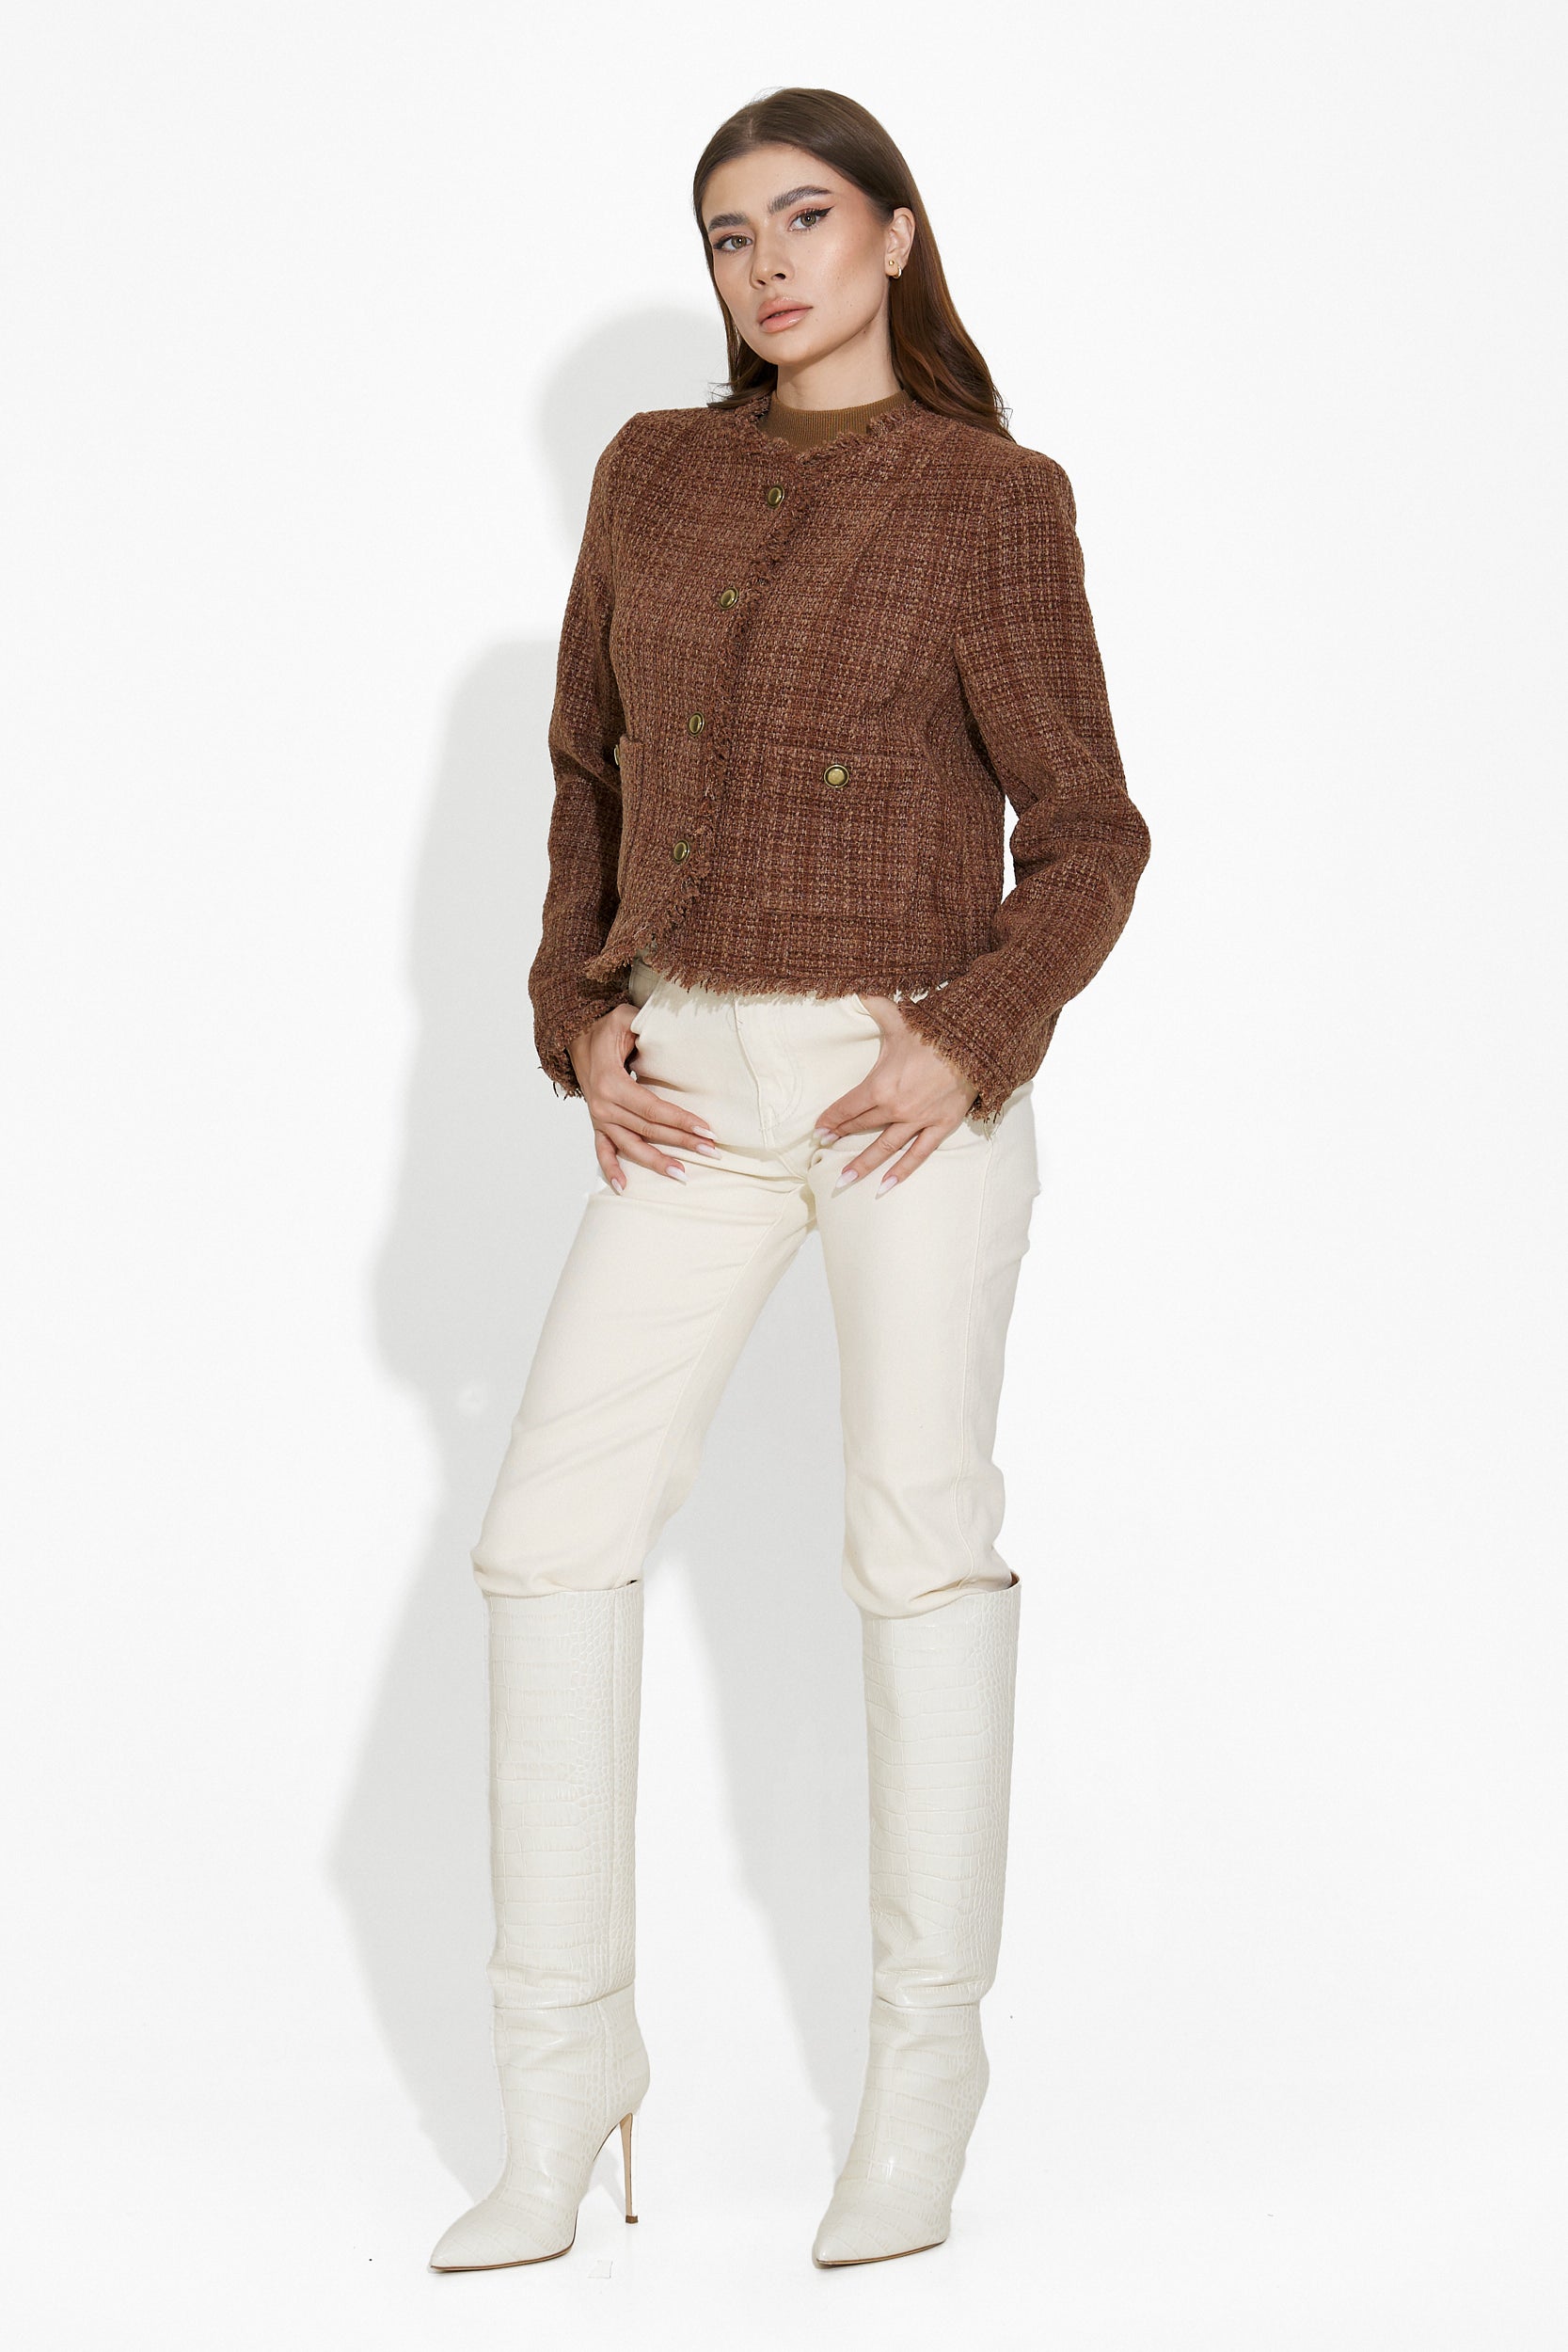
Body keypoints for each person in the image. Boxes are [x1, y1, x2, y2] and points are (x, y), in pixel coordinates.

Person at [428, 85, 1152, 2276]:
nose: (767, 265)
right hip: (693, 1082)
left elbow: (1091, 829)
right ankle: (562, 2087)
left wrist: (972, 1030)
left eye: (808, 218)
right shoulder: (652, 471)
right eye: (730, 235)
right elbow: (584, 764)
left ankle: (919, 2094)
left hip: (903, 1080)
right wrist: (579, 1007)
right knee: (547, 1537)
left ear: (898, 237)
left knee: (917, 1544)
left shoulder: (991, 498)